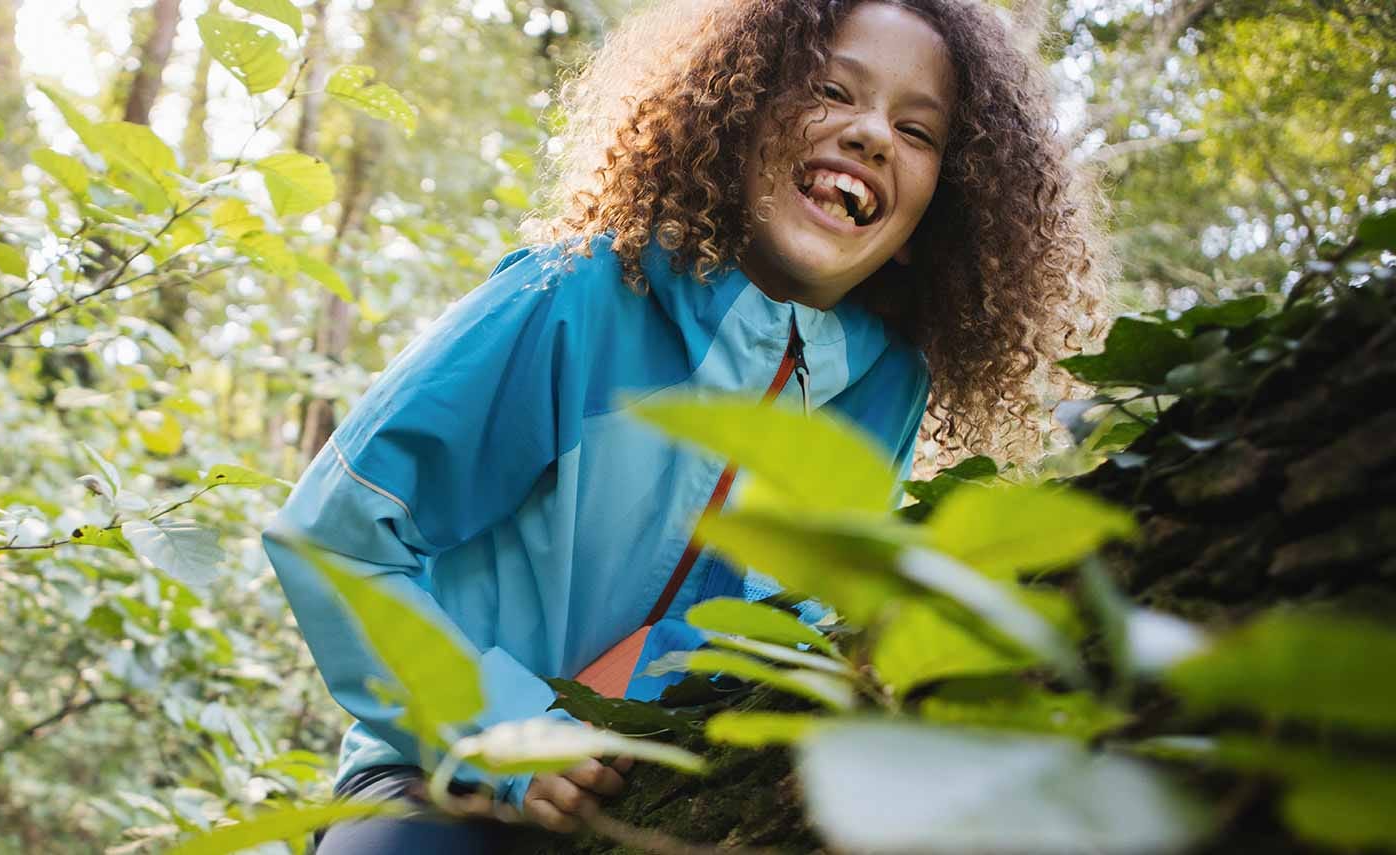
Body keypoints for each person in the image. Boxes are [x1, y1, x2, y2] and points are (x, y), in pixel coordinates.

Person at [262, 0, 1110, 850]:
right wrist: (507, 731)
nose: (872, 135)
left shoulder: (887, 387)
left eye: (918, 132)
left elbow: (802, 622)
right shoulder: (580, 293)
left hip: (661, 807)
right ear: (738, 114)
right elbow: (333, 537)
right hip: (438, 782)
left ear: (938, 216)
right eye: (829, 88)